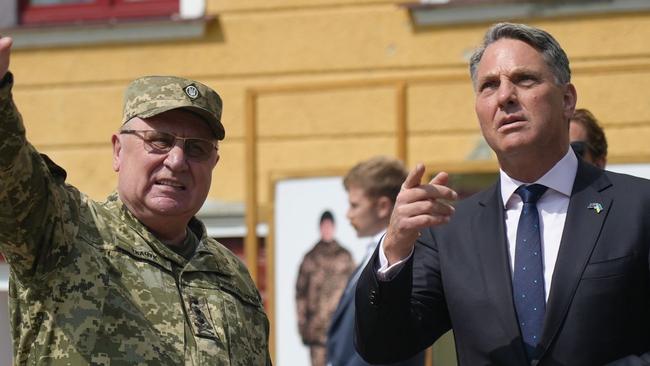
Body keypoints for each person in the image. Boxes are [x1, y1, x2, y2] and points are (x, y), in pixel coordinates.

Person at [355, 23, 650, 366]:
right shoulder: (450, 231)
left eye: (524, 79)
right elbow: (383, 346)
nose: (505, 96)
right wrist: (394, 249)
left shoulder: (637, 207)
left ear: (567, 99)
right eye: (489, 86)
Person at [0, 36, 271, 365]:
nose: (176, 161)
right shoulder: (65, 230)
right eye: (159, 141)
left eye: (196, 148)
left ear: (214, 163)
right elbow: (12, 171)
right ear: (118, 150)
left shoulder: (233, 279)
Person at [327, 156, 424, 366]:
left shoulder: (402, 260)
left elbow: (391, 336)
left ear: (382, 207)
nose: (348, 214)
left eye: (355, 205)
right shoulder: (370, 255)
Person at [296, 211, 355, 366]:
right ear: (320, 228)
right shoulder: (310, 258)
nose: (327, 229)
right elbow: (300, 294)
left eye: (329, 226)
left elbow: (355, 292)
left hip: (341, 329)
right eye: (324, 226)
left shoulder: (345, 257)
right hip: (317, 331)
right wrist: (303, 327)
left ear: (334, 227)